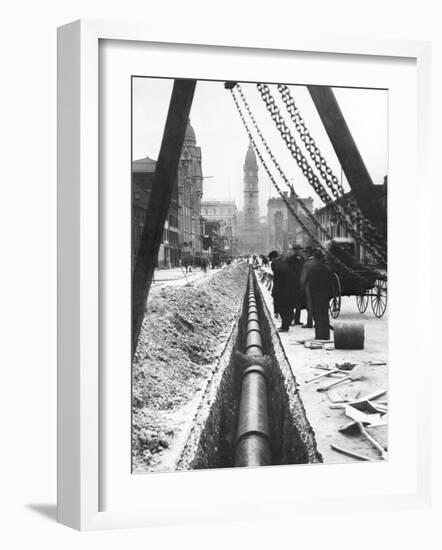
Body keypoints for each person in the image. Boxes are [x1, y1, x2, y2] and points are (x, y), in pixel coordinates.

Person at [300, 248, 332, 340]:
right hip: (325, 293)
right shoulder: (327, 268)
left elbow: (304, 280)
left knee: (317, 314)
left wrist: (302, 290)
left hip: (314, 293)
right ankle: (326, 335)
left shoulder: (311, 268)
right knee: (324, 314)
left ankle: (319, 335)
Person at [269, 249, 298, 332]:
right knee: (287, 307)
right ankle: (287, 323)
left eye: (271, 259)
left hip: (280, 289)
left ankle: (284, 326)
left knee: (282, 308)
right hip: (289, 289)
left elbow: (278, 276)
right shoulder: (285, 262)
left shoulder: (275, 264)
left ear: (273, 258)